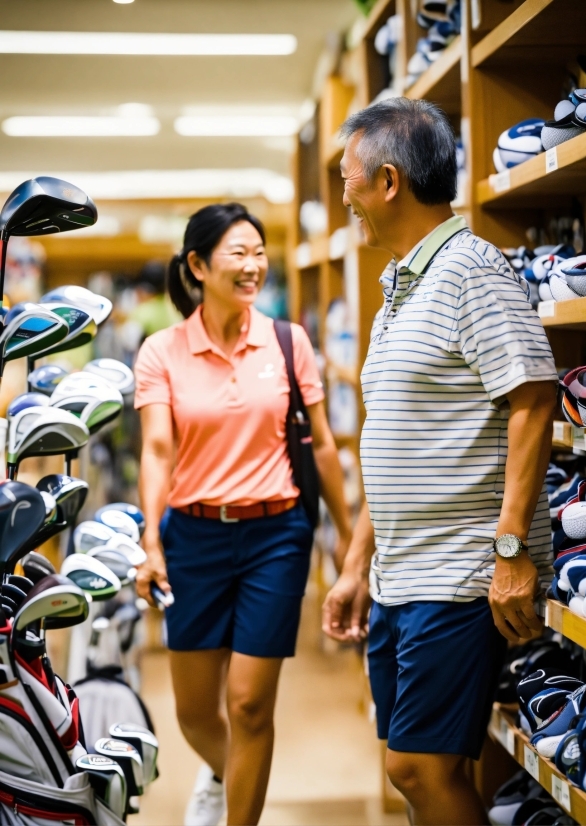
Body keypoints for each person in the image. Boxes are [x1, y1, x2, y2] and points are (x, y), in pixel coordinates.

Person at [322, 98, 558, 826]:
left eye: (347, 177)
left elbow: (535, 399)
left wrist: (511, 549)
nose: (343, 195)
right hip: (402, 570)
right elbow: (393, 445)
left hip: (456, 574)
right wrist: (359, 563)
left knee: (419, 768)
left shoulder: (470, 271)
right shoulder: (400, 288)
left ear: (388, 180)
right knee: (418, 764)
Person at [134, 203, 352, 826]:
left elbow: (324, 446)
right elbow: (156, 449)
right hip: (193, 536)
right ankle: (227, 775)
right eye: (239, 253)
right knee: (196, 712)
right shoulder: (162, 352)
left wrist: (344, 538)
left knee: (251, 703)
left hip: (276, 535)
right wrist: (151, 539)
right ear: (198, 265)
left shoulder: (288, 342)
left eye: (260, 252)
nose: (253, 265)